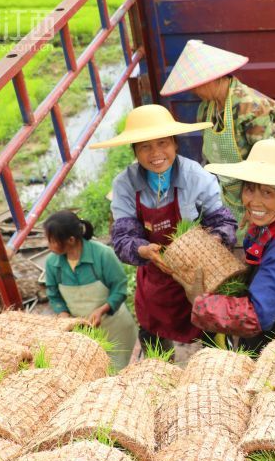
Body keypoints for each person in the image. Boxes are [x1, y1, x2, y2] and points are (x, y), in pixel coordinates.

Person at [91, 104, 238, 357]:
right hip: (156, 282)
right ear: (135, 150)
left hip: (198, 279)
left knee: (215, 349)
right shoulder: (125, 184)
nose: (156, 153)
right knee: (154, 349)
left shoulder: (196, 177)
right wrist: (142, 249)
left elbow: (225, 222)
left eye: (163, 143)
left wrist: (211, 241)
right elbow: (123, 237)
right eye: (145, 146)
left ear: (175, 144)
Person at [175, 138, 275, 355]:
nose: (255, 202)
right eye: (250, 190)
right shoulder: (269, 224)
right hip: (270, 326)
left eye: (267, 193)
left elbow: (255, 316)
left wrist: (200, 301)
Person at [160, 39, 275, 228]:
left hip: (256, 197)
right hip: (223, 194)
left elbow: (269, 163)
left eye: (196, 85)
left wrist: (255, 206)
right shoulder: (207, 108)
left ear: (213, 78)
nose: (193, 91)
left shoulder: (251, 107)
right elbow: (208, 158)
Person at [43, 209, 137, 370]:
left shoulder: (103, 255)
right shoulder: (52, 263)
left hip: (115, 327)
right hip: (84, 332)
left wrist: (102, 310)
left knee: (117, 373)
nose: (48, 245)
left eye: (52, 240)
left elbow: (120, 287)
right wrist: (63, 314)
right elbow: (53, 294)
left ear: (71, 240)